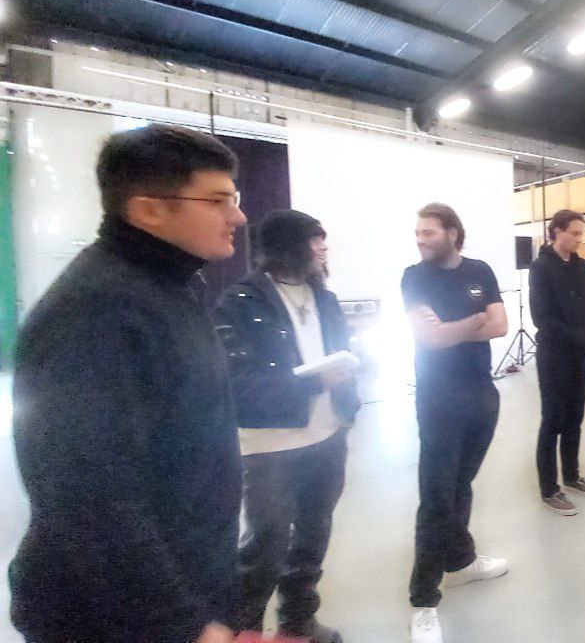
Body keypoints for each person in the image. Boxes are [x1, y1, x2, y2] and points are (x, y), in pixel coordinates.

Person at [10, 124, 247, 643]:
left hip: (180, 584)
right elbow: (88, 494)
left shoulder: (168, 289)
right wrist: (180, 623)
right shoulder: (96, 311)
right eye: (218, 200)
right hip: (111, 617)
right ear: (148, 211)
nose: (238, 216)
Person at [216, 210, 361, 643]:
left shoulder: (325, 298)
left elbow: (339, 351)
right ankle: (243, 632)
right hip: (269, 445)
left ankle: (297, 624)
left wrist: (352, 375)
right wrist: (314, 382)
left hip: (328, 435)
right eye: (315, 241)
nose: (323, 249)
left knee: (313, 535)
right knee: (267, 541)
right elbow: (235, 383)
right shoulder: (239, 302)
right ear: (288, 247)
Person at [401, 203, 509, 643]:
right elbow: (430, 337)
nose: (420, 240)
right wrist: (475, 319)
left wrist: (456, 328)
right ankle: (423, 600)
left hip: (481, 394)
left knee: (461, 484)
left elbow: (501, 325)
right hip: (438, 399)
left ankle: (460, 562)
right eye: (418, 233)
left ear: (452, 233)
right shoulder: (414, 278)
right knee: (436, 497)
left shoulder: (480, 270)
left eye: (428, 232)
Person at [529, 209, 585, 515]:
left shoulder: (583, 267)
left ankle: (571, 476)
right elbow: (542, 317)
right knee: (553, 421)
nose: (579, 239)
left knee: (574, 418)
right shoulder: (541, 268)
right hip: (555, 357)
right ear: (557, 231)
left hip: (581, 356)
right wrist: (578, 340)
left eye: (581, 233)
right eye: (574, 233)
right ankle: (549, 489)